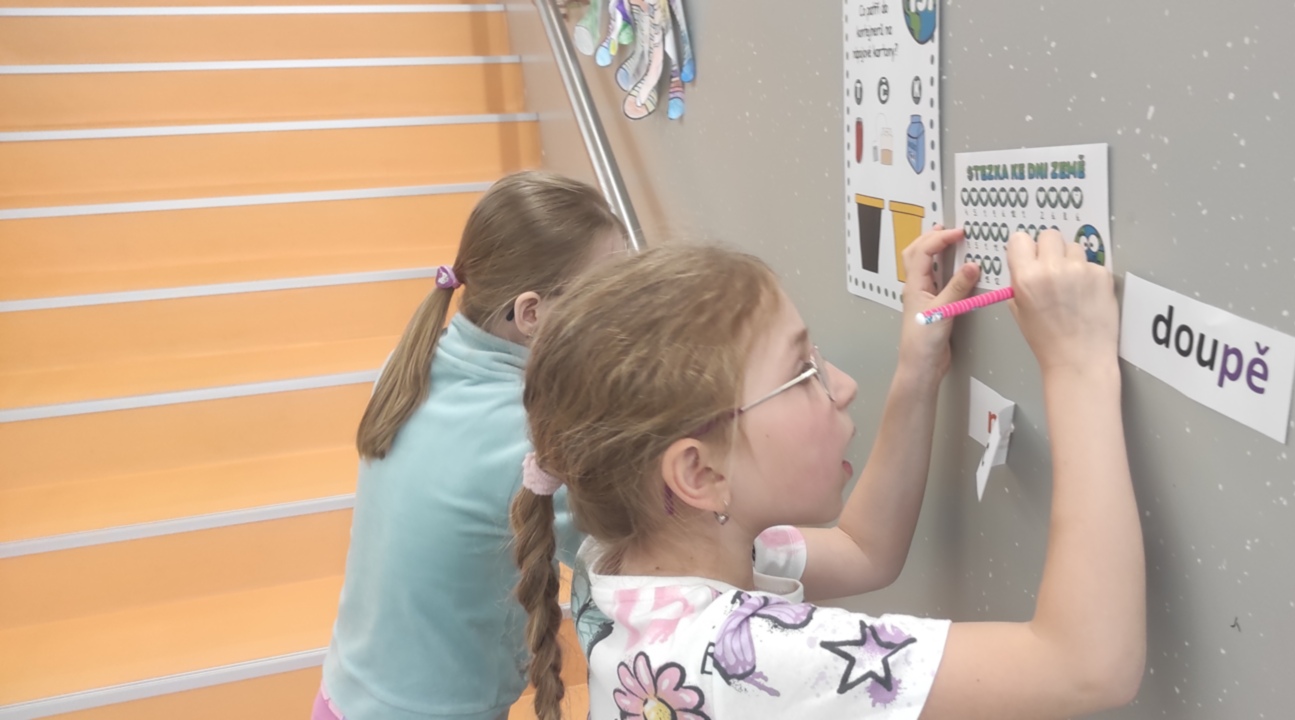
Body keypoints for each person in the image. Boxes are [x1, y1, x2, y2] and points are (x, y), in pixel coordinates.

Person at [513, 227, 1144, 719]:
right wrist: (1076, 365)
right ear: (699, 474)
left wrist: (918, 369)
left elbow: (864, 550)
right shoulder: (746, 657)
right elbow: (1086, 666)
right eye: (802, 374)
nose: (842, 386)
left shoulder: (633, 557)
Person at [314, 171, 626, 720]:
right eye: (608, 298)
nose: (625, 317)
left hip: (343, 695)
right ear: (531, 314)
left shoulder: (413, 362)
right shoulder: (522, 441)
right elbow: (637, 544)